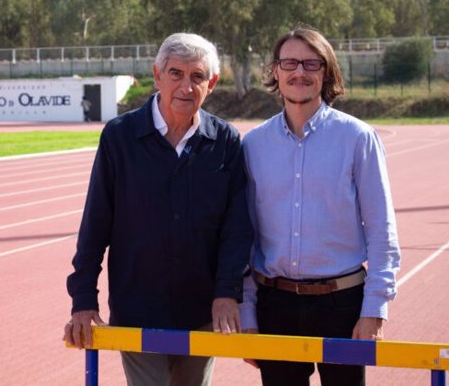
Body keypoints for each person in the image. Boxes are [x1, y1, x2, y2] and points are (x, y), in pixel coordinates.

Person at [64, 33, 253, 386]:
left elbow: (236, 228)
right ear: (157, 75)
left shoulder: (225, 141)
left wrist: (227, 293)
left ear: (211, 84)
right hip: (138, 310)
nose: (186, 85)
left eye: (197, 76)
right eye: (176, 73)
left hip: (201, 312)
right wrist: (83, 298)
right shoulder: (119, 136)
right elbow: (96, 223)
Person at [239, 26, 401, 385]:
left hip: (341, 305)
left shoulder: (358, 138)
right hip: (274, 305)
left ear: (326, 72)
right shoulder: (254, 145)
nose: (300, 72)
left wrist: (375, 309)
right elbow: (245, 238)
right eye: (290, 63)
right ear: (276, 72)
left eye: (311, 64)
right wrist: (247, 312)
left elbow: (381, 229)